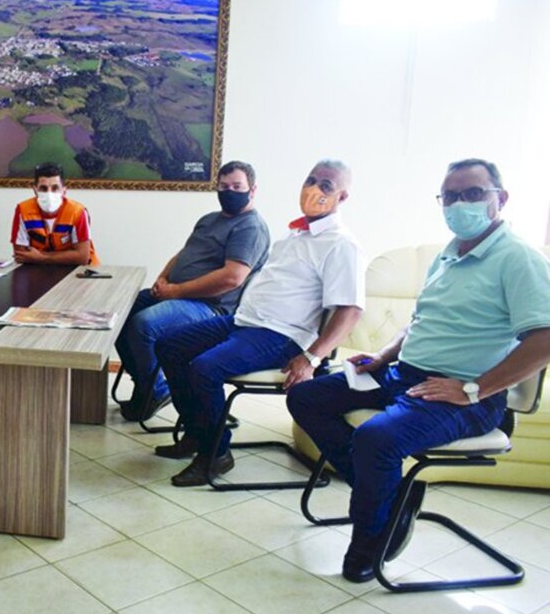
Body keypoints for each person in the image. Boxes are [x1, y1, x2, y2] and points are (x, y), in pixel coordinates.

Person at [287, 158, 550, 583]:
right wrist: (382, 358)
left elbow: (544, 338)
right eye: (450, 196)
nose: (459, 204)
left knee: (376, 439)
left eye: (472, 194)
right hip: (404, 375)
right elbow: (418, 323)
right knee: (305, 396)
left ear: (499, 199)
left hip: (462, 395)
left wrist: (473, 389)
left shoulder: (518, 259)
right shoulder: (448, 254)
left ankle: (372, 539)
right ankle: (393, 500)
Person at [154, 160, 366, 487]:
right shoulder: (296, 234)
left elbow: (350, 310)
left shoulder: (340, 243)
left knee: (204, 369)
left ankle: (216, 453)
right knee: (169, 345)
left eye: (326, 185)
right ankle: (198, 434)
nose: (314, 190)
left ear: (342, 197)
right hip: (244, 323)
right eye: (311, 180)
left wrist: (312, 357)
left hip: (281, 335)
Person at [115, 160, 270, 422]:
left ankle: (156, 390)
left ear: (252, 190)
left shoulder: (250, 227)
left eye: (237, 186)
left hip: (209, 307)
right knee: (116, 317)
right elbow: (184, 254)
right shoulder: (209, 219)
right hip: (176, 293)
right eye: (223, 186)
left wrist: (175, 291)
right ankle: (146, 385)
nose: (229, 191)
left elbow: (232, 277)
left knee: (144, 324)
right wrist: (163, 278)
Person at [11, 162, 99, 266]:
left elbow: (82, 257)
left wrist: (41, 257)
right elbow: (21, 255)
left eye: (55, 188)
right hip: (37, 271)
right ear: (35, 190)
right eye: (43, 189)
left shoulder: (77, 212)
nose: (49, 193)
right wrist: (67, 256)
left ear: (64, 190)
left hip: (80, 272)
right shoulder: (23, 210)